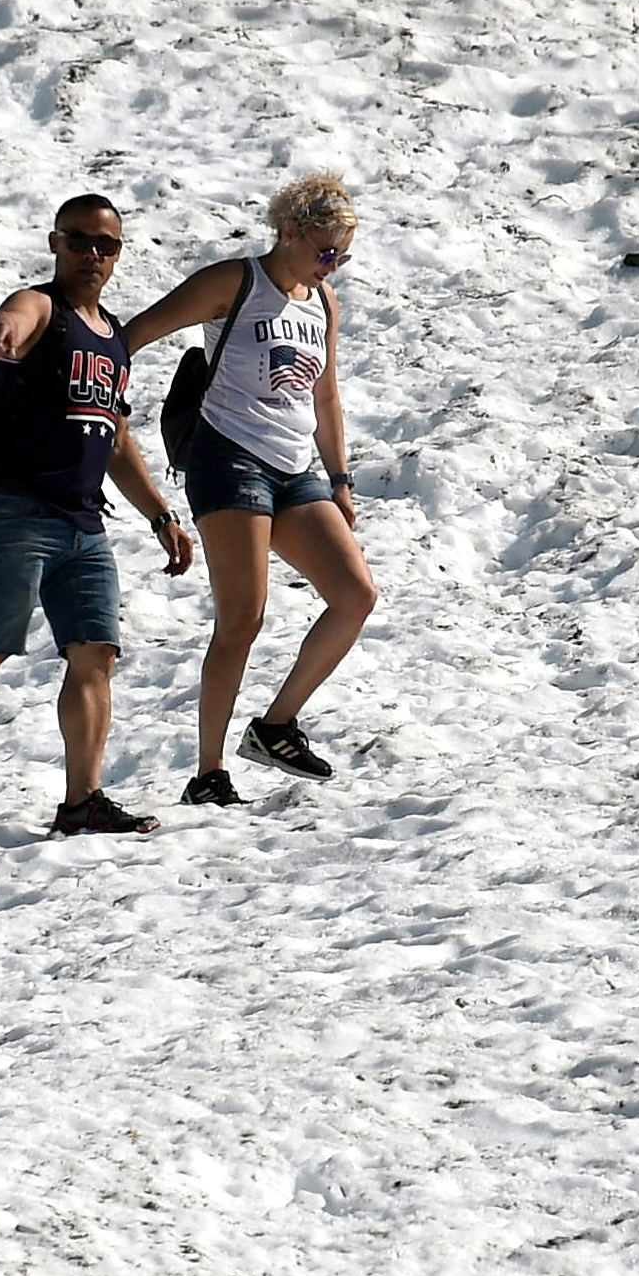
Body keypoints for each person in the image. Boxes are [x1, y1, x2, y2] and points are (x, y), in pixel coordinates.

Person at [0, 192, 193, 835]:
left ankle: (82, 801)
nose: (93, 254)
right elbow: (14, 316)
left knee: (95, 654)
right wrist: (3, 331)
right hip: (12, 513)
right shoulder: (42, 308)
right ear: (55, 243)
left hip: (84, 524)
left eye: (106, 245)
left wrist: (160, 514)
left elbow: (113, 436)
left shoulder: (113, 339)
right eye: (80, 240)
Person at [121, 172, 375, 806]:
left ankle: (276, 725)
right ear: (287, 231)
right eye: (324, 252)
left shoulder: (322, 303)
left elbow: (326, 393)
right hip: (228, 456)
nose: (332, 266)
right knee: (244, 617)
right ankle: (208, 773)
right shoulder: (234, 282)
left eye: (342, 255)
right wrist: (95, 400)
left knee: (355, 595)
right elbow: (132, 336)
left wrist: (339, 476)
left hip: (296, 467)